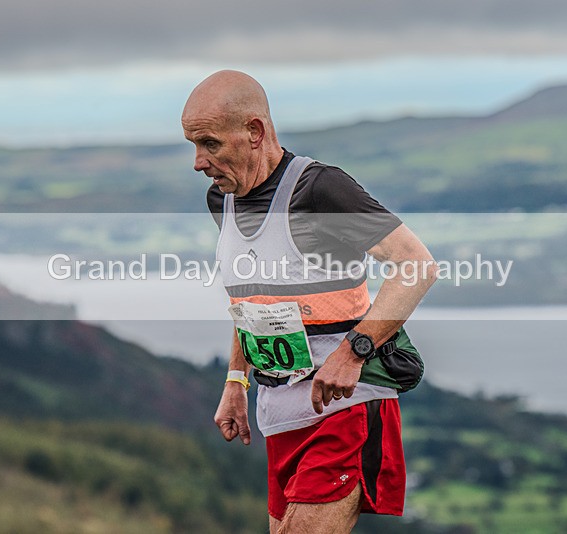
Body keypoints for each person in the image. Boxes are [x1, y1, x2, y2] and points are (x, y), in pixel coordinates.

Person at [182, 70, 437, 533]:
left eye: (210, 143)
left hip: (345, 408)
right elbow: (250, 299)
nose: (198, 161)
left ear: (255, 132)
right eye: (192, 144)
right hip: (280, 417)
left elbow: (416, 265)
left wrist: (352, 353)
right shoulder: (223, 200)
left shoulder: (319, 190)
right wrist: (236, 381)